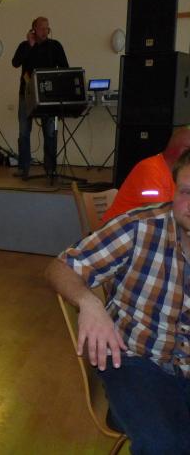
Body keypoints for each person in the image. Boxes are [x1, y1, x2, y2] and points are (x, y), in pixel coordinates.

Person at [45, 148, 190, 454]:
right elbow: (60, 267)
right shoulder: (141, 226)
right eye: (186, 191)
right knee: (165, 444)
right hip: (138, 359)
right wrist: (89, 303)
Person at [11, 16, 69, 179]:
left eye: (47, 28)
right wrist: (30, 45)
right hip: (27, 95)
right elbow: (15, 63)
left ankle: (50, 168)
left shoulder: (55, 46)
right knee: (24, 132)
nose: (45, 31)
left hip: (48, 96)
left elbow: (65, 68)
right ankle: (23, 168)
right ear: (33, 30)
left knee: (50, 132)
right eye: (42, 28)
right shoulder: (25, 46)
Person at [101, 126, 190, 223]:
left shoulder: (179, 173)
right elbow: (159, 214)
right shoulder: (150, 170)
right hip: (120, 229)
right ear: (184, 152)